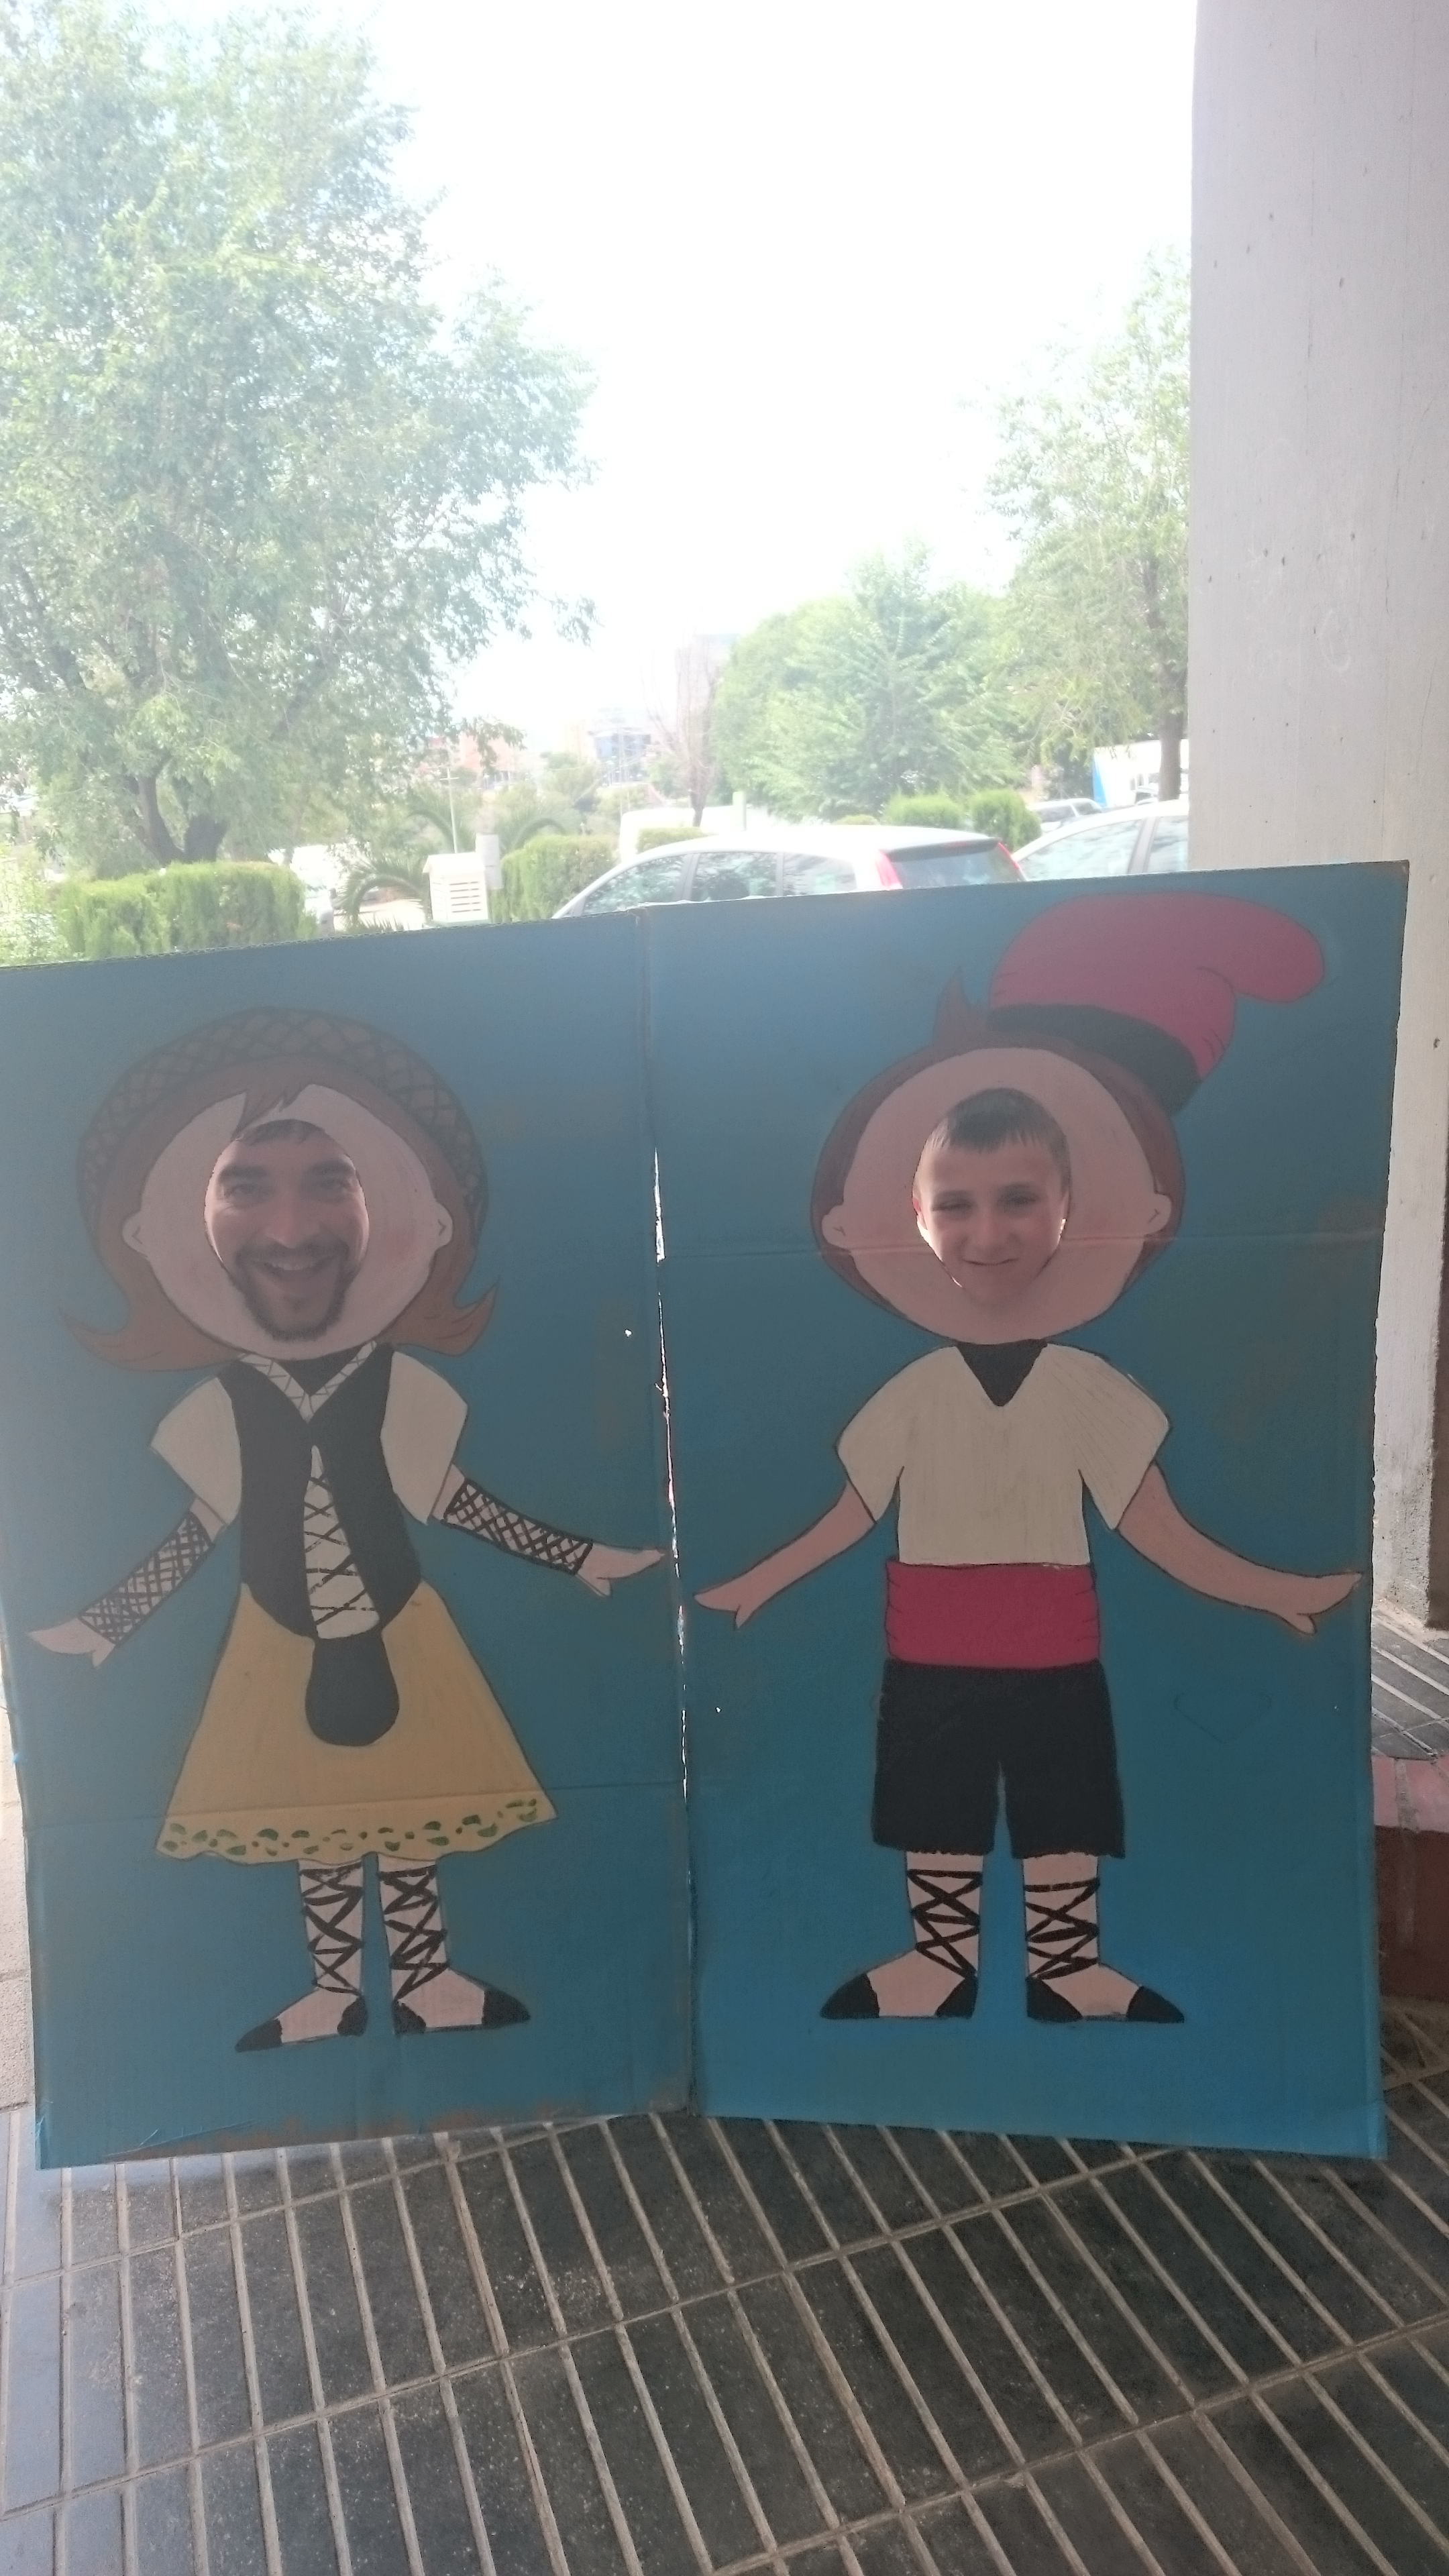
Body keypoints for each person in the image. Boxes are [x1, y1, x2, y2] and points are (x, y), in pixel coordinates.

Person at [698, 892, 1359, 2026]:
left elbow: (1153, 1525)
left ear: (1074, 1209)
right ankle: (939, 1964)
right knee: (934, 1811)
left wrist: (1272, 1591)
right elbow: (852, 1512)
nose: (987, 1231)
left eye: (1018, 1200)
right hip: (931, 1648)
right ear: (913, 1218)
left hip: (1056, 1648)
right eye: (955, 1204)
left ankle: (1066, 1970)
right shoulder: (912, 1393)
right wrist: (759, 1580)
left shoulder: (1090, 1390)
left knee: (1064, 1811)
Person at [33, 1011, 661, 2050]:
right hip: (274, 1644)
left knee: (410, 1815)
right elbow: (199, 1528)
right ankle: (334, 1990)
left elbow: (454, 1501)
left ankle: (426, 1980)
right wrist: (107, 1624)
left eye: (331, 1182)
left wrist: (580, 1556)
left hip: (400, 1626)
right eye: (246, 1187)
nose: (291, 1229)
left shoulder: (398, 1387)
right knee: (316, 1826)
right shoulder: (223, 1404)